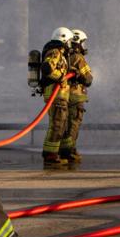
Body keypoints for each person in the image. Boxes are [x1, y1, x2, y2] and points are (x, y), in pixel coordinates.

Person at [39, 27, 75, 170]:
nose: (70, 44)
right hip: (55, 93)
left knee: (60, 124)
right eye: (69, 41)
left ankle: (55, 152)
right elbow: (47, 68)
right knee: (57, 124)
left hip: (60, 95)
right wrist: (60, 77)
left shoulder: (60, 53)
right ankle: (50, 155)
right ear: (64, 39)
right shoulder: (55, 52)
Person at [61, 28, 94, 165]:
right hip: (75, 96)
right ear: (77, 41)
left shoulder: (64, 55)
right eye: (82, 43)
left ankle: (62, 150)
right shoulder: (78, 58)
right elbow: (88, 79)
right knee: (73, 124)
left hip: (63, 96)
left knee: (63, 125)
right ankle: (69, 151)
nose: (83, 46)